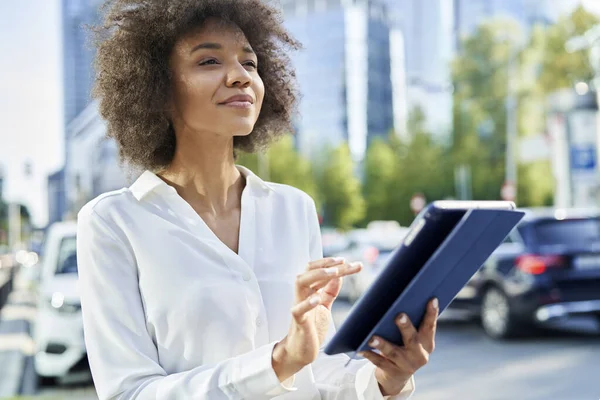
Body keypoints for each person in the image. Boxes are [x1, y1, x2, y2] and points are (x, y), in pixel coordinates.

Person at [77, 1, 439, 399]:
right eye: (209, 61)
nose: (239, 77)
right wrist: (278, 361)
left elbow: (316, 372)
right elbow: (129, 393)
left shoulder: (294, 209)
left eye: (249, 64)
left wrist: (388, 378)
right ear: (157, 88)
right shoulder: (113, 222)